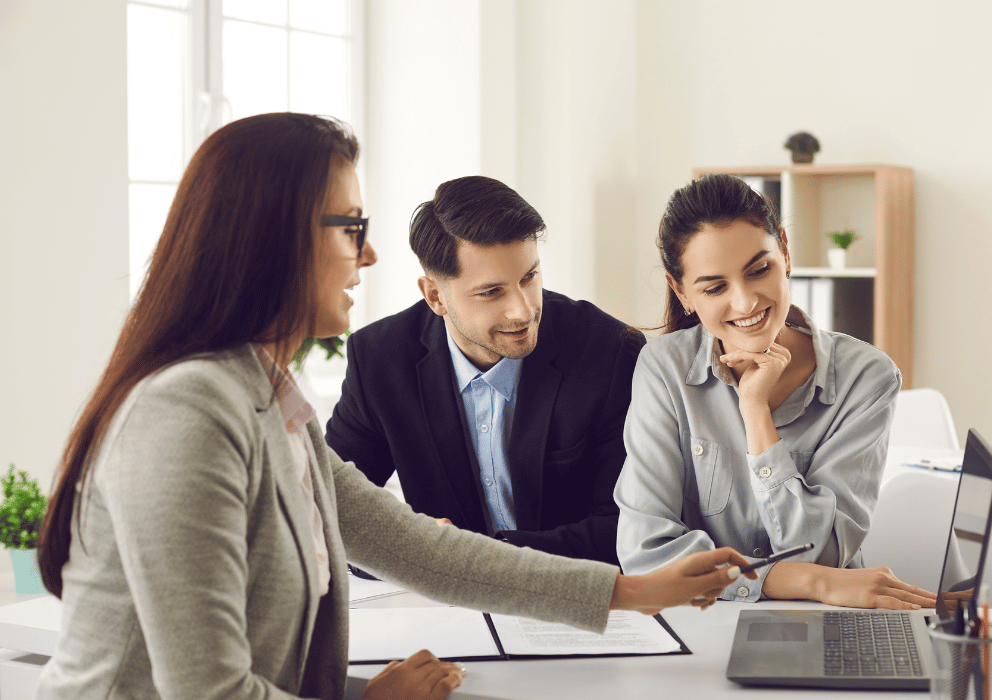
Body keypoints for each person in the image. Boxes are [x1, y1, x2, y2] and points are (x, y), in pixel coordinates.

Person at [35, 114, 753, 700]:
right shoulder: (187, 411)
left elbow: (415, 548)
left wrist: (629, 592)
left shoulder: (267, 399)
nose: (369, 255)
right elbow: (209, 694)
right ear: (272, 238)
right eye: (350, 227)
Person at [614, 173, 935, 609]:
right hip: (705, 624)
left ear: (784, 251)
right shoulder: (663, 368)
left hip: (826, 620)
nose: (746, 303)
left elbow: (823, 553)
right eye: (714, 287)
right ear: (681, 291)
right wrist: (808, 582)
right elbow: (647, 556)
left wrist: (755, 412)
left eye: (759, 270)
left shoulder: (867, 376)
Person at [326, 175, 643, 566]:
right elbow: (329, 513)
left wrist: (470, 558)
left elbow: (628, 529)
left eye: (529, 277)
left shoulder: (609, 351)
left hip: (576, 602)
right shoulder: (379, 360)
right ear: (435, 296)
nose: (523, 310)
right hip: (445, 610)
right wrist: (412, 548)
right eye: (491, 292)